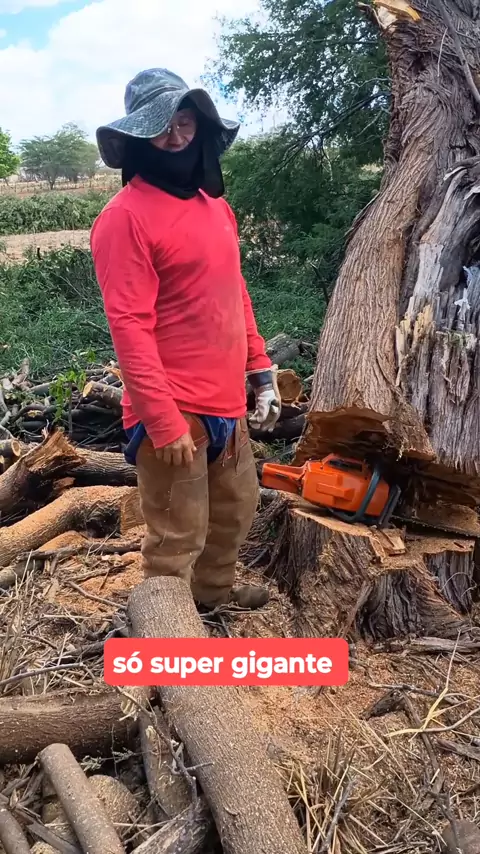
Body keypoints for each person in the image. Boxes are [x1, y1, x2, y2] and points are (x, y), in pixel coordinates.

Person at [91, 68, 281, 610]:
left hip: (227, 403)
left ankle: (212, 600)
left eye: (184, 122)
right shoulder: (124, 218)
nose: (175, 137)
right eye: (161, 128)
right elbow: (129, 326)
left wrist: (261, 372)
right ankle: (167, 632)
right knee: (178, 533)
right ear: (137, 137)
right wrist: (162, 419)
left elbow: (234, 293)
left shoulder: (215, 207)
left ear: (200, 127)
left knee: (235, 510)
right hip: (175, 409)